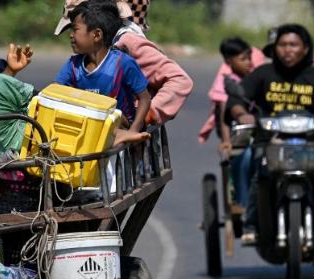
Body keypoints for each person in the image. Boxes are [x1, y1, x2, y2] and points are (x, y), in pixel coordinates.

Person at [226, 23, 314, 272]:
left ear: (305, 48)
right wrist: (242, 114)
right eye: (282, 45)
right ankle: (251, 220)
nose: (287, 50)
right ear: (275, 48)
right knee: (252, 161)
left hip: (313, 142)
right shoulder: (263, 73)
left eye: (293, 45)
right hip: (270, 142)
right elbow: (236, 100)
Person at [55, 0, 192, 126]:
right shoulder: (84, 57)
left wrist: (146, 115)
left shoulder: (129, 43)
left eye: (75, 29)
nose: (71, 35)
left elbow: (180, 80)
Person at [54, 0, 152, 134]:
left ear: (97, 35)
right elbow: (54, 91)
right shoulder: (73, 65)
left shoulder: (123, 63)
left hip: (118, 130)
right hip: (86, 127)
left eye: (75, 29)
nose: (71, 35)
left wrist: (133, 131)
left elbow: (144, 99)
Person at [198, 37, 265, 207]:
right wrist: (227, 141)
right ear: (229, 61)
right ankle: (243, 203)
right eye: (243, 59)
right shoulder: (227, 81)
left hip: (258, 128)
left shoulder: (256, 76)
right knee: (244, 157)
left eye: (249, 58)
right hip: (234, 129)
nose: (249, 62)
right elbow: (224, 113)